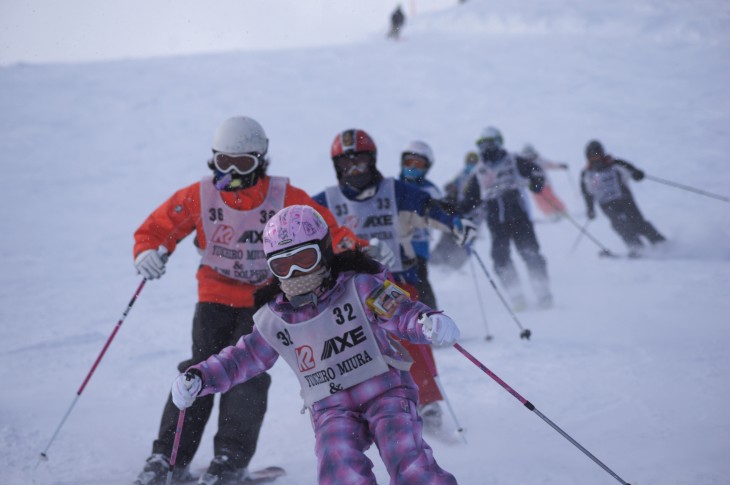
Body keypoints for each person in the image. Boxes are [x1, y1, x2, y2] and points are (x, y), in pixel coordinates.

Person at [132, 116, 367, 485]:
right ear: (214, 160)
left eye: (244, 163)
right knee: (198, 371)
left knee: (247, 375)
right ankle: (167, 457)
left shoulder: (283, 195)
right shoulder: (202, 194)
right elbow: (160, 226)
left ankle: (229, 458)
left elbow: (325, 229)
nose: (234, 172)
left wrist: (358, 248)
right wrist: (148, 251)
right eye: (225, 162)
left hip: (263, 298)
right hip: (214, 294)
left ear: (261, 159)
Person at [170, 205, 460, 485]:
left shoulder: (357, 286)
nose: (296, 272)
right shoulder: (275, 318)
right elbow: (242, 359)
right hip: (331, 408)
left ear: (323, 252)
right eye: (283, 265)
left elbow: (400, 312)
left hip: (384, 390)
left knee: (406, 458)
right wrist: (201, 377)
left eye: (305, 259)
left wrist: (426, 321)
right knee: (338, 466)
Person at [311, 128, 477, 433]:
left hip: (396, 281)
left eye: (360, 162)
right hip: (348, 290)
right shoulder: (325, 202)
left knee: (412, 339)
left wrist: (456, 224)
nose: (355, 170)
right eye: (347, 164)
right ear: (337, 167)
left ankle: (427, 403)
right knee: (349, 348)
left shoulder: (395, 191)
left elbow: (430, 210)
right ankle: (352, 404)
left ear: (372, 160)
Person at [459, 126, 553, 310]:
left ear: (499, 142)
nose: (487, 148)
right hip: (496, 222)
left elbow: (536, 171)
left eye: (490, 143)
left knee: (530, 253)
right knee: (500, 258)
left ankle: (543, 293)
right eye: (482, 145)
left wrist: (536, 182)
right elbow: (470, 199)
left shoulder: (514, 160)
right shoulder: (479, 171)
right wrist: (457, 213)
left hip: (519, 216)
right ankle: (516, 295)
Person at [580, 140, 666, 256]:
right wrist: (590, 209)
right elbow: (587, 193)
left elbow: (633, 172)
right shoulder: (587, 174)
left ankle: (659, 242)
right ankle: (636, 247)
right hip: (606, 204)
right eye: (592, 156)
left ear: (602, 153)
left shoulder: (615, 164)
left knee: (637, 222)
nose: (595, 158)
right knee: (619, 225)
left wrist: (637, 174)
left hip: (624, 199)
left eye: (597, 154)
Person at [398, 140, 442, 308]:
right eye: (409, 162)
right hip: (394, 246)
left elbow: (438, 215)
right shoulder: (393, 187)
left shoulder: (430, 190)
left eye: (419, 164)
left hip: (417, 247)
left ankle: (433, 323)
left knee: (420, 283)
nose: (413, 168)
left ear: (426, 167)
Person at [520, 144, 569, 220]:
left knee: (550, 197)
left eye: (531, 156)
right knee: (539, 200)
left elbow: (551, 164)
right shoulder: (524, 164)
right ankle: (549, 213)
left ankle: (561, 210)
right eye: (527, 157)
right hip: (533, 186)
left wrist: (560, 166)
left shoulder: (540, 160)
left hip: (545, 184)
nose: (530, 158)